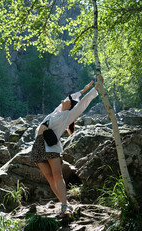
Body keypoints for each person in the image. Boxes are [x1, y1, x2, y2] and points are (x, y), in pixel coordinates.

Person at [30, 75, 104, 217]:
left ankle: (64, 206)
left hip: (50, 146)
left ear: (70, 105)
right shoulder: (57, 111)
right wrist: (84, 89)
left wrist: (95, 89)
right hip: (38, 146)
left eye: (67, 100)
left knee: (57, 175)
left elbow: (82, 104)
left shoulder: (68, 115)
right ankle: (65, 204)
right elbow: (75, 96)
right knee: (50, 178)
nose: (64, 99)